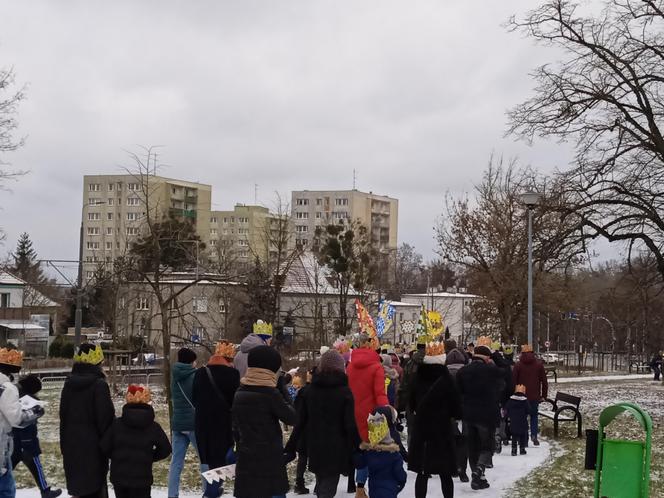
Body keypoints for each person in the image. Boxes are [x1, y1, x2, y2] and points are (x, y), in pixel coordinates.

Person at [286, 350, 360, 498]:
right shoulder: (345, 392)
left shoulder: (309, 391)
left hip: (315, 446)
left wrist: (291, 446)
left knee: (322, 484)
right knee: (328, 488)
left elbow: (300, 422)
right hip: (336, 449)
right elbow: (350, 425)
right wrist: (359, 446)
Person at [232, 345, 296, 498]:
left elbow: (235, 427)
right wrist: (281, 386)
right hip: (269, 462)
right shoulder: (270, 394)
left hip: (246, 459)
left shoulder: (240, 391)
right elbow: (292, 417)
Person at [60, 343, 115, 498]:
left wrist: (65, 447)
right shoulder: (99, 386)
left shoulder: (68, 384)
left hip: (71, 448)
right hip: (94, 451)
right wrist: (108, 448)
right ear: (98, 363)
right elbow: (105, 421)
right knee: (96, 490)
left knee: (79, 492)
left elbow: (63, 417)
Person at [408, 343, 461, 498]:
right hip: (442, 431)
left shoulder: (417, 377)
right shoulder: (448, 379)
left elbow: (411, 404)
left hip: (422, 430)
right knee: (445, 473)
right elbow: (456, 407)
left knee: (422, 472)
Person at [100, 385, 172, 498]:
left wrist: (116, 456)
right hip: (142, 479)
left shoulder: (116, 425)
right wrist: (150, 457)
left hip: (120, 478)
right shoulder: (153, 427)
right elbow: (166, 449)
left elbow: (104, 447)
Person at [193, 342, 241, 498]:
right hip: (223, 422)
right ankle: (212, 491)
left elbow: (194, 398)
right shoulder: (233, 375)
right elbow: (236, 400)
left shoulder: (200, 373)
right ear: (229, 359)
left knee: (212, 458)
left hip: (203, 423)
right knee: (224, 456)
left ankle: (212, 490)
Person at [347, 334, 390, 498]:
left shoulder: (350, 366)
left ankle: (358, 487)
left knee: (360, 451)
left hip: (354, 414)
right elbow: (380, 394)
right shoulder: (376, 367)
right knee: (374, 453)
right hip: (373, 416)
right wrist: (387, 412)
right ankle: (373, 489)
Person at [457, 345, 503, 491]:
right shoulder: (492, 371)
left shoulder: (463, 371)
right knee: (487, 446)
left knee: (473, 446)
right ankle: (479, 471)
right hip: (487, 414)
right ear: (487, 357)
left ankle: (478, 477)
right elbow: (505, 379)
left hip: (468, 414)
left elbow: (458, 393)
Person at [0, 348, 44, 498]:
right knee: (6, 490)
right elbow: (16, 418)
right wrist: (34, 411)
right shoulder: (7, 389)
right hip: (2, 445)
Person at [12, 375, 61, 498]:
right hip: (28, 441)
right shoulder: (30, 401)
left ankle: (45, 491)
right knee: (37, 468)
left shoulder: (12, 396)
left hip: (13, 441)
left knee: (6, 469)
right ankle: (45, 491)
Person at [167, 347, 201, 498]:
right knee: (204, 460)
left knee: (176, 462)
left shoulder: (175, 375)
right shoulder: (196, 376)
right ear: (191, 361)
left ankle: (172, 494)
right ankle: (208, 492)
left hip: (178, 423)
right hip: (193, 424)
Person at [354, 407, 407, 498]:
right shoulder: (394, 454)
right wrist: (401, 481)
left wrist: (357, 451)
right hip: (390, 490)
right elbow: (399, 472)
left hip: (374, 490)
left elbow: (360, 464)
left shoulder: (370, 453)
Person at [512, 344, 548, 446]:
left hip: (521, 396)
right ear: (533, 353)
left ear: (522, 353)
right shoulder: (539, 365)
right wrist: (544, 395)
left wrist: (514, 394)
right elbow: (544, 382)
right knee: (534, 416)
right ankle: (534, 435)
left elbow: (513, 381)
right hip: (534, 396)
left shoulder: (518, 365)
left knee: (522, 417)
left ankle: (524, 439)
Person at [445, 344, 469, 482]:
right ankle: (463, 470)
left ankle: (452, 467)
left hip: (448, 412)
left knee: (450, 440)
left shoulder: (444, 374)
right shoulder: (467, 374)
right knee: (463, 441)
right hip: (464, 411)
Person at [396, 340, 425, 448]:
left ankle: (413, 455)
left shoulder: (409, 363)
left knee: (412, 430)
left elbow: (404, 385)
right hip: (428, 402)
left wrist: (402, 404)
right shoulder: (432, 363)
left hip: (412, 402)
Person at [291, 368, 315, 495]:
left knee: (302, 457)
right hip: (314, 428)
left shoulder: (302, 391)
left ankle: (299, 483)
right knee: (316, 456)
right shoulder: (319, 391)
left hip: (302, 427)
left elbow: (296, 408)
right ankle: (319, 485)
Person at [505, 385, 529, 456]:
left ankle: (514, 450)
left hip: (513, 421)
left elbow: (507, 408)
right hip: (522, 420)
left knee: (514, 436)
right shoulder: (525, 401)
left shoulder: (510, 400)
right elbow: (528, 410)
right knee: (522, 434)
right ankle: (522, 449)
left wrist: (507, 416)